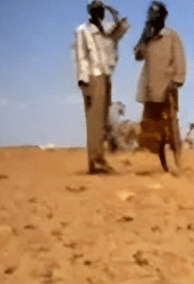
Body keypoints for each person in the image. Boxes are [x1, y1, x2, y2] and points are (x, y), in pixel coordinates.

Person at [73, 1, 128, 174]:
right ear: (90, 12)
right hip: (92, 78)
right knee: (94, 121)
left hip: (105, 77)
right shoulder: (83, 30)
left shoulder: (107, 31)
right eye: (97, 9)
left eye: (102, 9)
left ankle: (98, 159)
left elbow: (123, 27)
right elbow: (81, 56)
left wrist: (112, 10)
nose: (101, 12)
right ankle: (96, 161)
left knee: (103, 120)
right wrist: (83, 80)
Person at [134, 2, 186, 172]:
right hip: (150, 92)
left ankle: (178, 163)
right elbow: (138, 55)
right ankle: (164, 166)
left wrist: (176, 81)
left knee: (171, 129)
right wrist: (144, 33)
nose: (151, 17)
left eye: (154, 14)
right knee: (155, 134)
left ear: (162, 16)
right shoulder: (148, 40)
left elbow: (180, 62)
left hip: (166, 91)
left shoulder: (171, 37)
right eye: (149, 14)